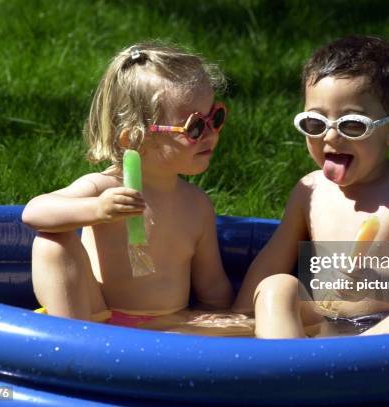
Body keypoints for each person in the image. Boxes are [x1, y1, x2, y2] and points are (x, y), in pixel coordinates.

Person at [23, 42, 251, 336]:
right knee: (52, 243)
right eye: (195, 127)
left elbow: (212, 286)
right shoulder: (103, 188)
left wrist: (226, 317)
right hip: (97, 319)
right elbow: (34, 211)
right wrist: (97, 210)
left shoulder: (197, 204)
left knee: (262, 327)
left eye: (215, 117)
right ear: (134, 138)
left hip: (169, 324)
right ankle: (74, 346)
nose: (210, 134)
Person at [232, 35, 389, 338]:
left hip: (377, 331)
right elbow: (272, 260)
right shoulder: (311, 190)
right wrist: (237, 317)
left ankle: (320, 377)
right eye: (315, 124)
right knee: (276, 286)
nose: (330, 138)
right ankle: (285, 367)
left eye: (352, 125)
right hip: (321, 322)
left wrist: (373, 278)